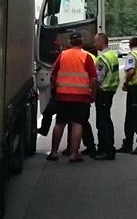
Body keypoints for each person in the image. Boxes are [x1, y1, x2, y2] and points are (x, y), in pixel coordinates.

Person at [48, 30, 98, 163]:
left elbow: (53, 75)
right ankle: (74, 154)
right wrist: (93, 94)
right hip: (81, 96)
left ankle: (53, 152)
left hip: (63, 95)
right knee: (77, 124)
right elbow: (93, 79)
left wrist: (58, 87)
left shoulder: (62, 55)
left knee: (59, 123)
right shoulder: (86, 56)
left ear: (70, 42)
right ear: (81, 42)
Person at [90, 32, 119, 159]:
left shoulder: (103, 58)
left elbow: (98, 79)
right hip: (110, 90)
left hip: (103, 91)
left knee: (102, 122)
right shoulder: (112, 55)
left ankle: (107, 150)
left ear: (102, 41)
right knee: (105, 120)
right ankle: (103, 147)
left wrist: (93, 93)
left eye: (96, 41)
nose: (94, 44)